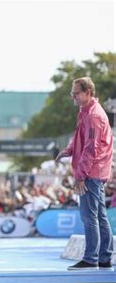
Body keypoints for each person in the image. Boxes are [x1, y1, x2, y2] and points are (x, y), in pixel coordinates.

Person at [55, 77, 114, 271]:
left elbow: (91, 148)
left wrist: (80, 175)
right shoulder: (86, 112)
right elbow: (79, 137)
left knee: (89, 217)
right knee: (100, 216)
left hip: (91, 172)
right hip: (95, 171)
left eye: (76, 93)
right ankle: (104, 257)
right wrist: (70, 149)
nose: (72, 96)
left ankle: (91, 259)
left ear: (88, 92)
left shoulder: (93, 116)